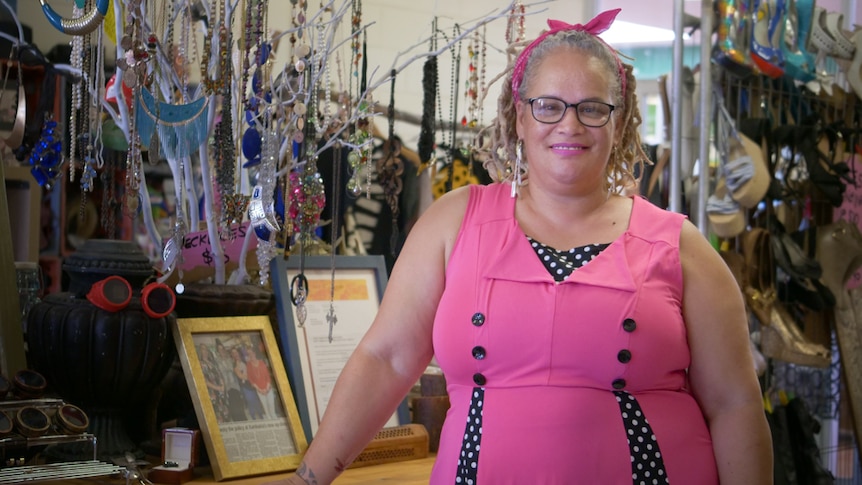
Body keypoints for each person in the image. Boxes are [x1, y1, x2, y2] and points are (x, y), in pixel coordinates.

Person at [269, 8, 773, 484]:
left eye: (592, 108)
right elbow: (387, 360)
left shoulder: (679, 246)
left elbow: (735, 405)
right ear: (520, 117)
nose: (569, 125)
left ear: (619, 122)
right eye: (548, 106)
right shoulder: (453, 222)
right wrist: (308, 478)